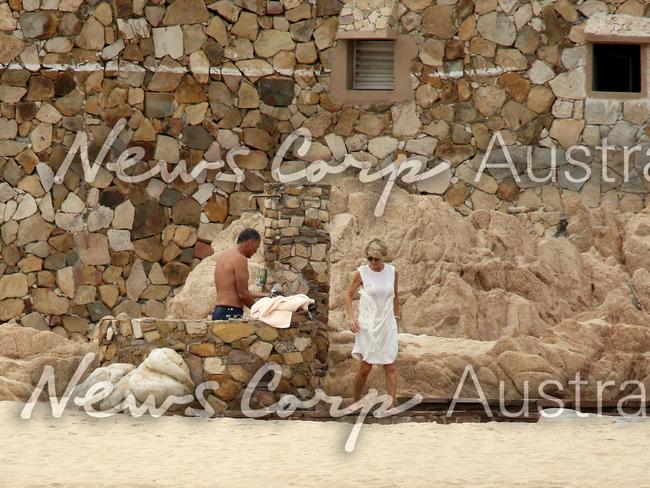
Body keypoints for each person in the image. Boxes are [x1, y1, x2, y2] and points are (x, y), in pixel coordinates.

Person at [344, 239, 400, 408]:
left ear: (384, 257)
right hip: (368, 324)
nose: (373, 263)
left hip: (387, 323)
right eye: (370, 259)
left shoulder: (392, 272)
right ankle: (355, 401)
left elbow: (396, 295)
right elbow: (347, 294)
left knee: (390, 366)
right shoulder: (362, 272)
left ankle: (391, 404)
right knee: (365, 368)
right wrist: (351, 317)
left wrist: (396, 316)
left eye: (377, 259)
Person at [212, 228, 269, 320]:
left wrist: (264, 295)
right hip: (231, 312)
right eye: (256, 247)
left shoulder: (224, 256)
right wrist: (259, 312)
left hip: (219, 311)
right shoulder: (240, 259)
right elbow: (242, 294)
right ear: (250, 242)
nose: (255, 251)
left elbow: (234, 291)